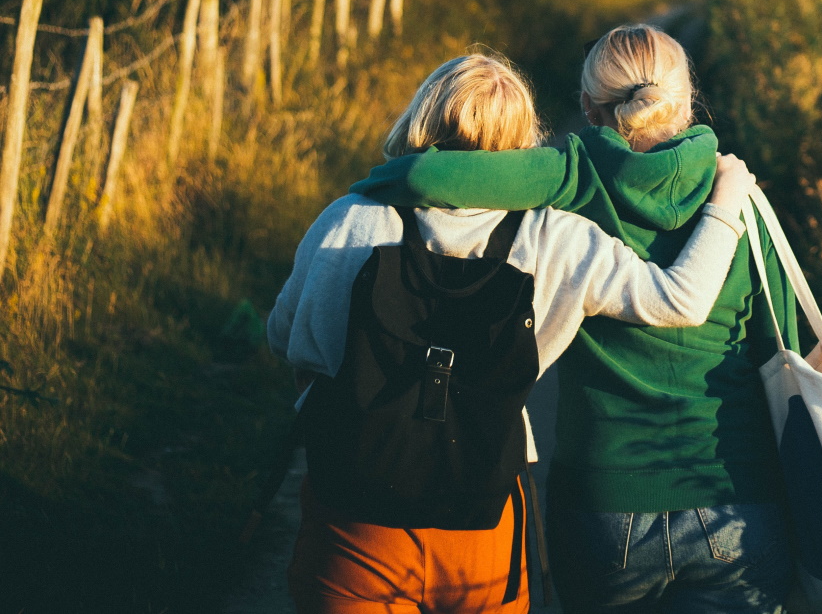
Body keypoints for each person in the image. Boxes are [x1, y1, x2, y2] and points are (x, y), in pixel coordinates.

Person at [267, 51, 759, 614]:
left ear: (421, 118)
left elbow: (287, 337)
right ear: (525, 137)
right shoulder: (557, 237)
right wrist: (725, 200)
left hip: (356, 517)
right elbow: (679, 298)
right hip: (486, 516)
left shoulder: (350, 218)